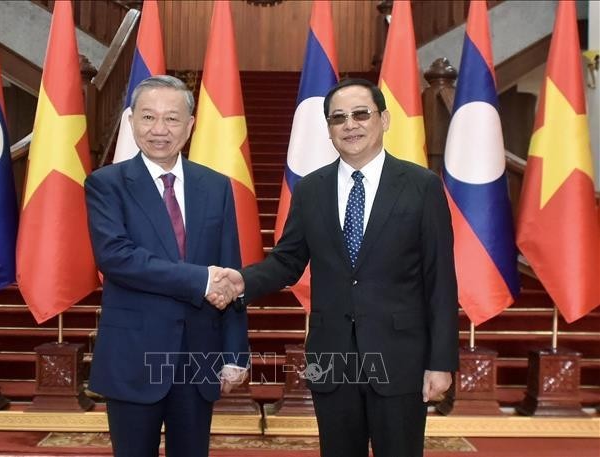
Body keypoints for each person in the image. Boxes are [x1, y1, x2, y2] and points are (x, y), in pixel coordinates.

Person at [216, 78, 459, 457]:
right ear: (329, 129)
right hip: (331, 360)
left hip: (400, 359)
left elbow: (440, 280)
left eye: (361, 114)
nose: (350, 125)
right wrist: (242, 281)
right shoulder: (311, 188)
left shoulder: (421, 186)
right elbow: (288, 259)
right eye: (338, 118)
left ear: (385, 119)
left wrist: (441, 363)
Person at [85, 75, 249, 457]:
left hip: (199, 357)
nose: (159, 130)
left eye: (172, 119)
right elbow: (117, 258)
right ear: (131, 122)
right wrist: (200, 279)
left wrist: (235, 352)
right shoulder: (106, 184)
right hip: (133, 356)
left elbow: (230, 269)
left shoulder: (216, 185)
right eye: (148, 117)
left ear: (190, 125)